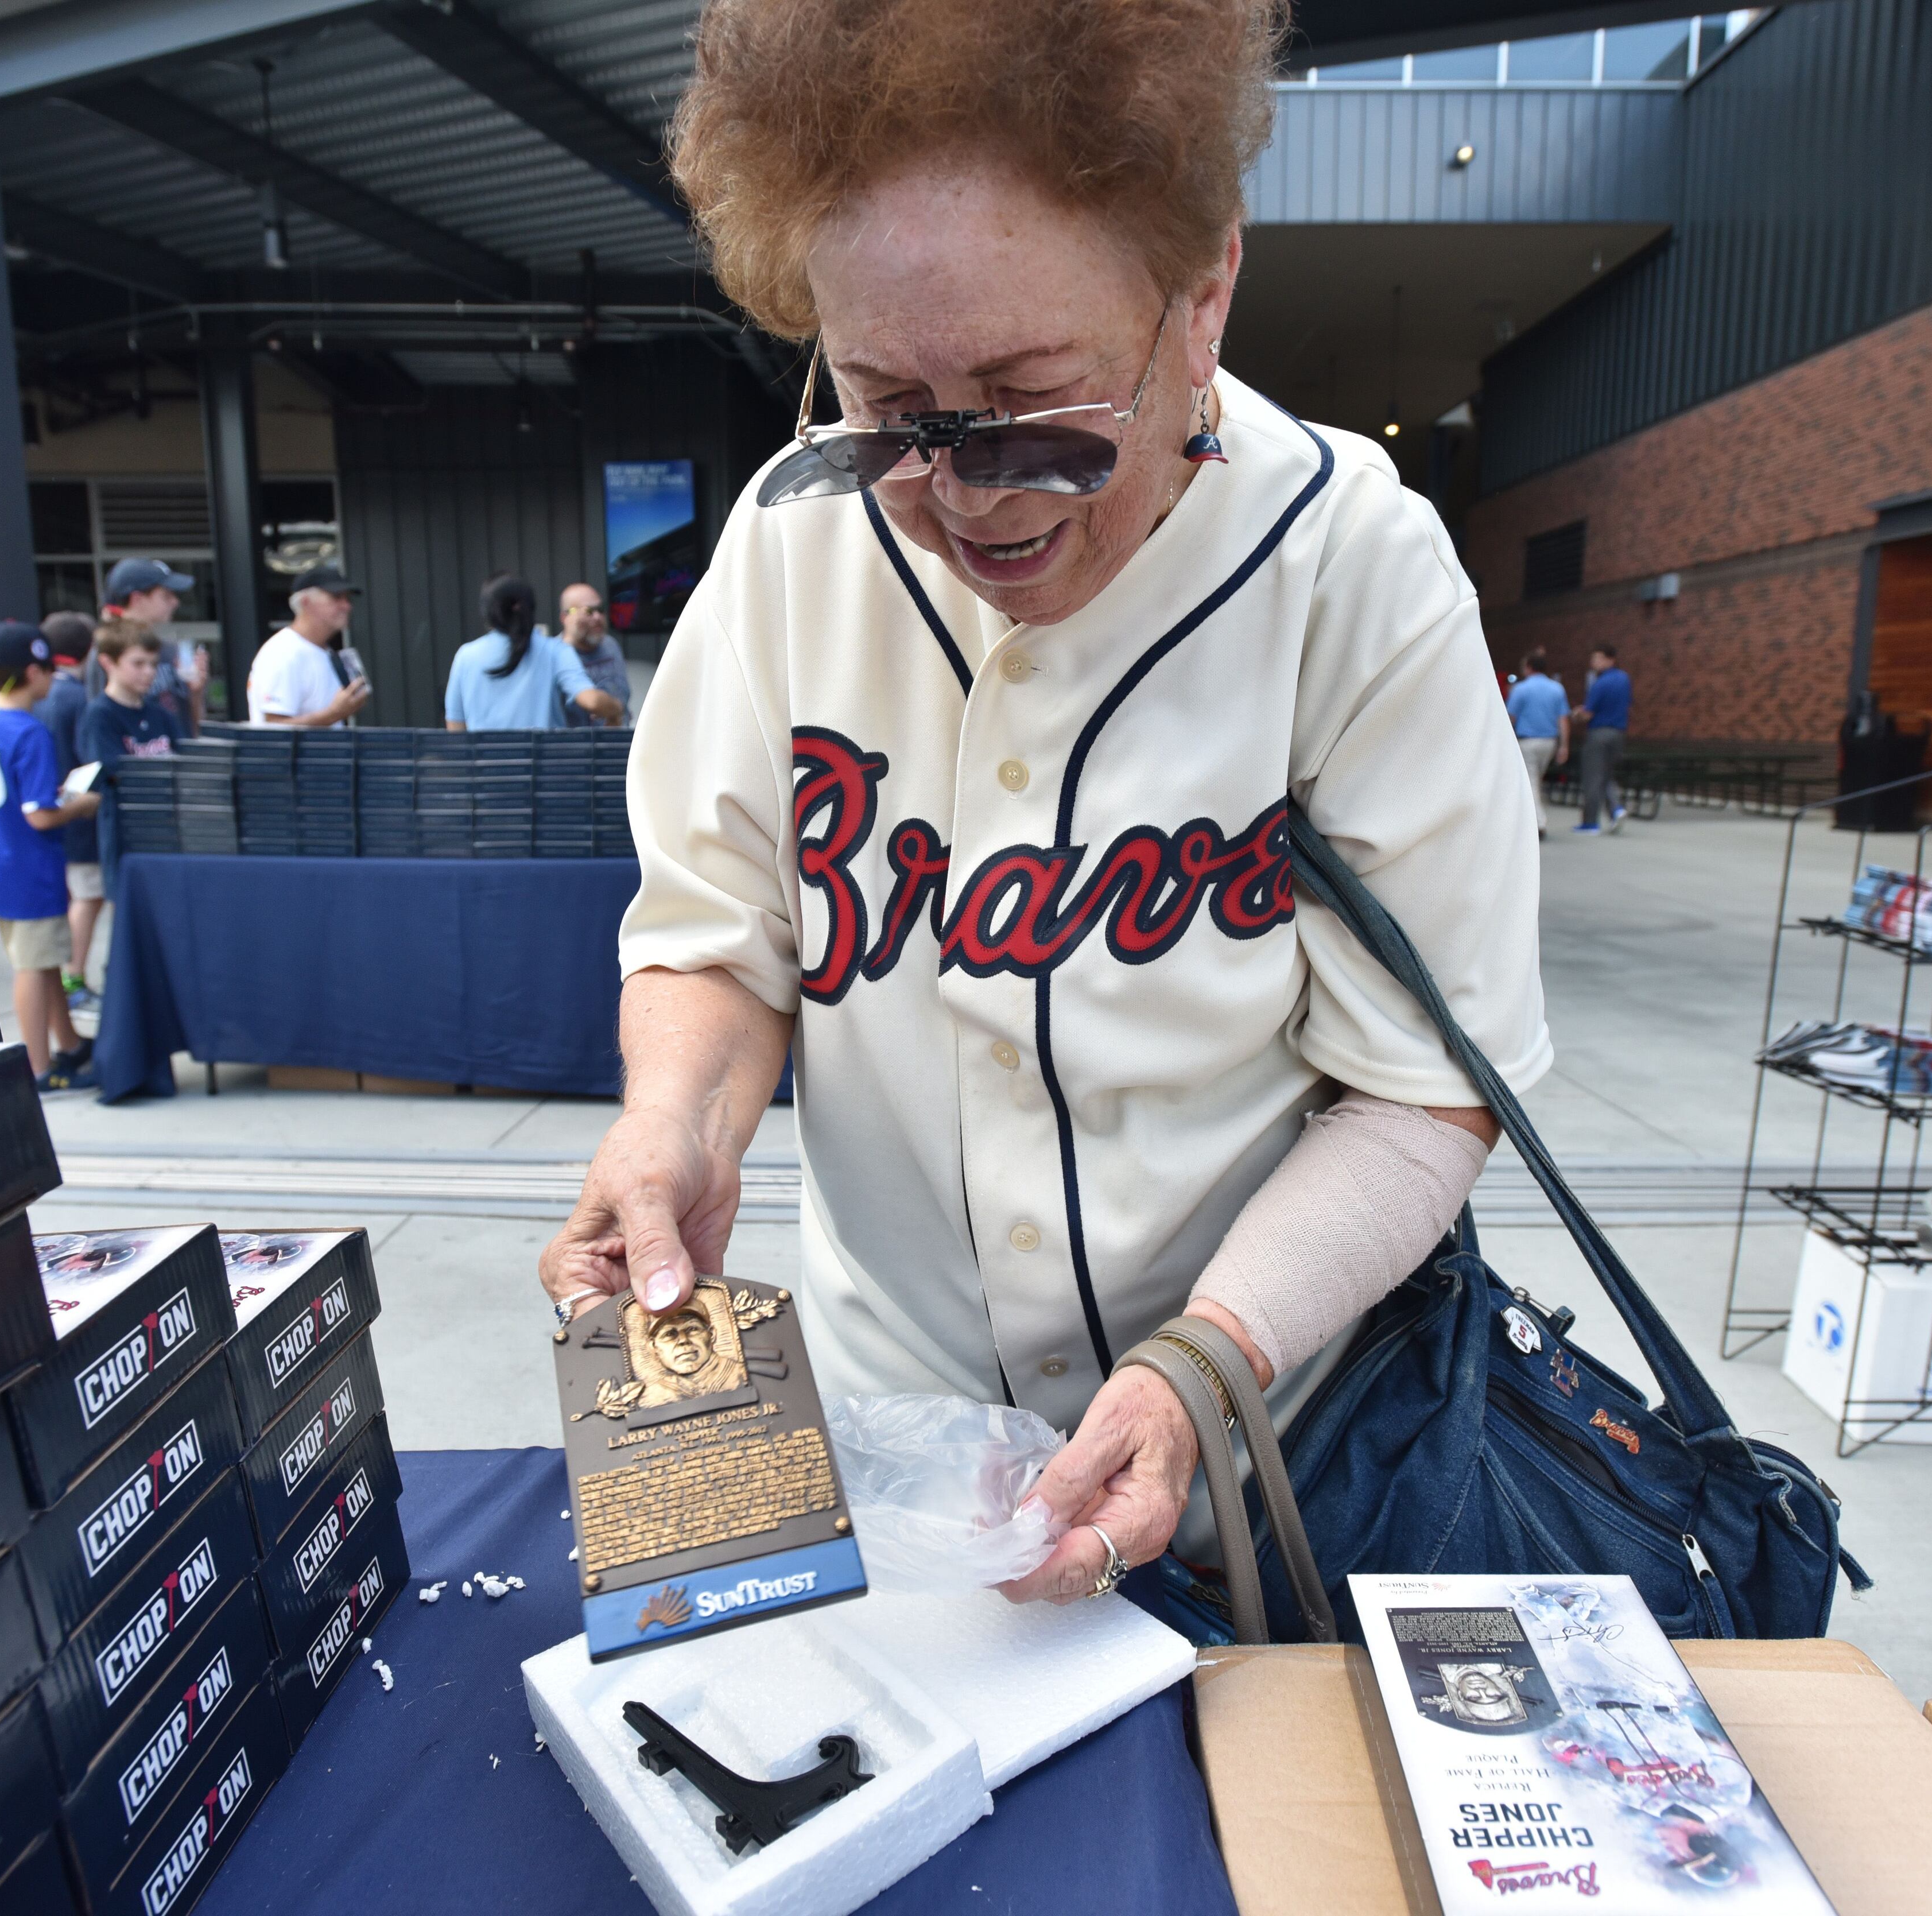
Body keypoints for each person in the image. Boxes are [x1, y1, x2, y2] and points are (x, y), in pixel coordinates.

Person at [538, 0, 1544, 1613]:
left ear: (1203, 286)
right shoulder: (797, 542)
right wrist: (678, 1125)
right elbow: (722, 940)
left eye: (1031, 401)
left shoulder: (1350, 560)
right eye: (889, 405)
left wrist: (1210, 1358)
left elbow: (1423, 1089)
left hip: (1263, 1460)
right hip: (895, 1459)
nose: (967, 488)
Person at [0, 621, 100, 1091]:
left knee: (45, 958)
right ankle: (40, 1068)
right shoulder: (29, 730)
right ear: (34, 673)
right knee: (34, 968)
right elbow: (40, 816)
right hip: (31, 863)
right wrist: (81, 804)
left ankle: (71, 1043)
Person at [78, 616, 181, 897]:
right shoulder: (100, 715)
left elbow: (187, 760)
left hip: (170, 834)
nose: (148, 672)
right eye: (138, 664)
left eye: (153, 664)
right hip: (128, 839)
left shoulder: (161, 713)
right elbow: (111, 770)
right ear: (108, 663)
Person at [444, 575, 624, 732]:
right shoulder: (556, 650)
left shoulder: (465, 656)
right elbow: (592, 701)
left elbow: (456, 727)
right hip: (545, 768)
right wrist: (615, 710)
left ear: (488, 612)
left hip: (486, 769)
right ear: (531, 608)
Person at [37, 612, 103, 1014]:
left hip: (50, 817)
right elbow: (88, 762)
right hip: (77, 816)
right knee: (88, 897)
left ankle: (70, 980)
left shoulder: (38, 695)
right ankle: (73, 980)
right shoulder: (76, 697)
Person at [247, 564, 372, 728]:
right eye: (336, 597)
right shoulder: (283, 653)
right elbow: (272, 730)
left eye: (347, 599)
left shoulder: (321, 651)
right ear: (305, 602)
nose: (347, 606)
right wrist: (334, 714)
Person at [103, 558, 208, 735]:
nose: (175, 603)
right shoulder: (109, 651)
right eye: (166, 596)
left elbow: (193, 727)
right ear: (138, 599)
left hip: (178, 756)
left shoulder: (168, 649)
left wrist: (196, 694)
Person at [1503, 648, 1570, 840]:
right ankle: (1534, 818)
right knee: (1535, 781)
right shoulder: (1557, 689)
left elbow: (1510, 717)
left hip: (1528, 741)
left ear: (1529, 667)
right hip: (1550, 742)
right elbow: (1563, 719)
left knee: (1531, 782)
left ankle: (1538, 823)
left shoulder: (1521, 689)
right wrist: (1564, 745)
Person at [557, 582, 631, 726]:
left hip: (617, 741)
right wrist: (570, 640)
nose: (597, 617)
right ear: (566, 618)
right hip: (580, 745)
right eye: (589, 612)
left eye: (600, 610)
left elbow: (623, 694)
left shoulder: (610, 645)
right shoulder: (555, 654)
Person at [1577, 643, 1632, 836]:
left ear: (1610, 659)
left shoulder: (1600, 683)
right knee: (1607, 774)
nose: (1594, 662)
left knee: (1593, 777)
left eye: (1598, 658)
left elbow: (1588, 713)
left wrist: (1576, 714)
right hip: (1619, 733)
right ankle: (1616, 809)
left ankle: (1590, 823)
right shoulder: (1624, 679)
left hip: (1599, 732)